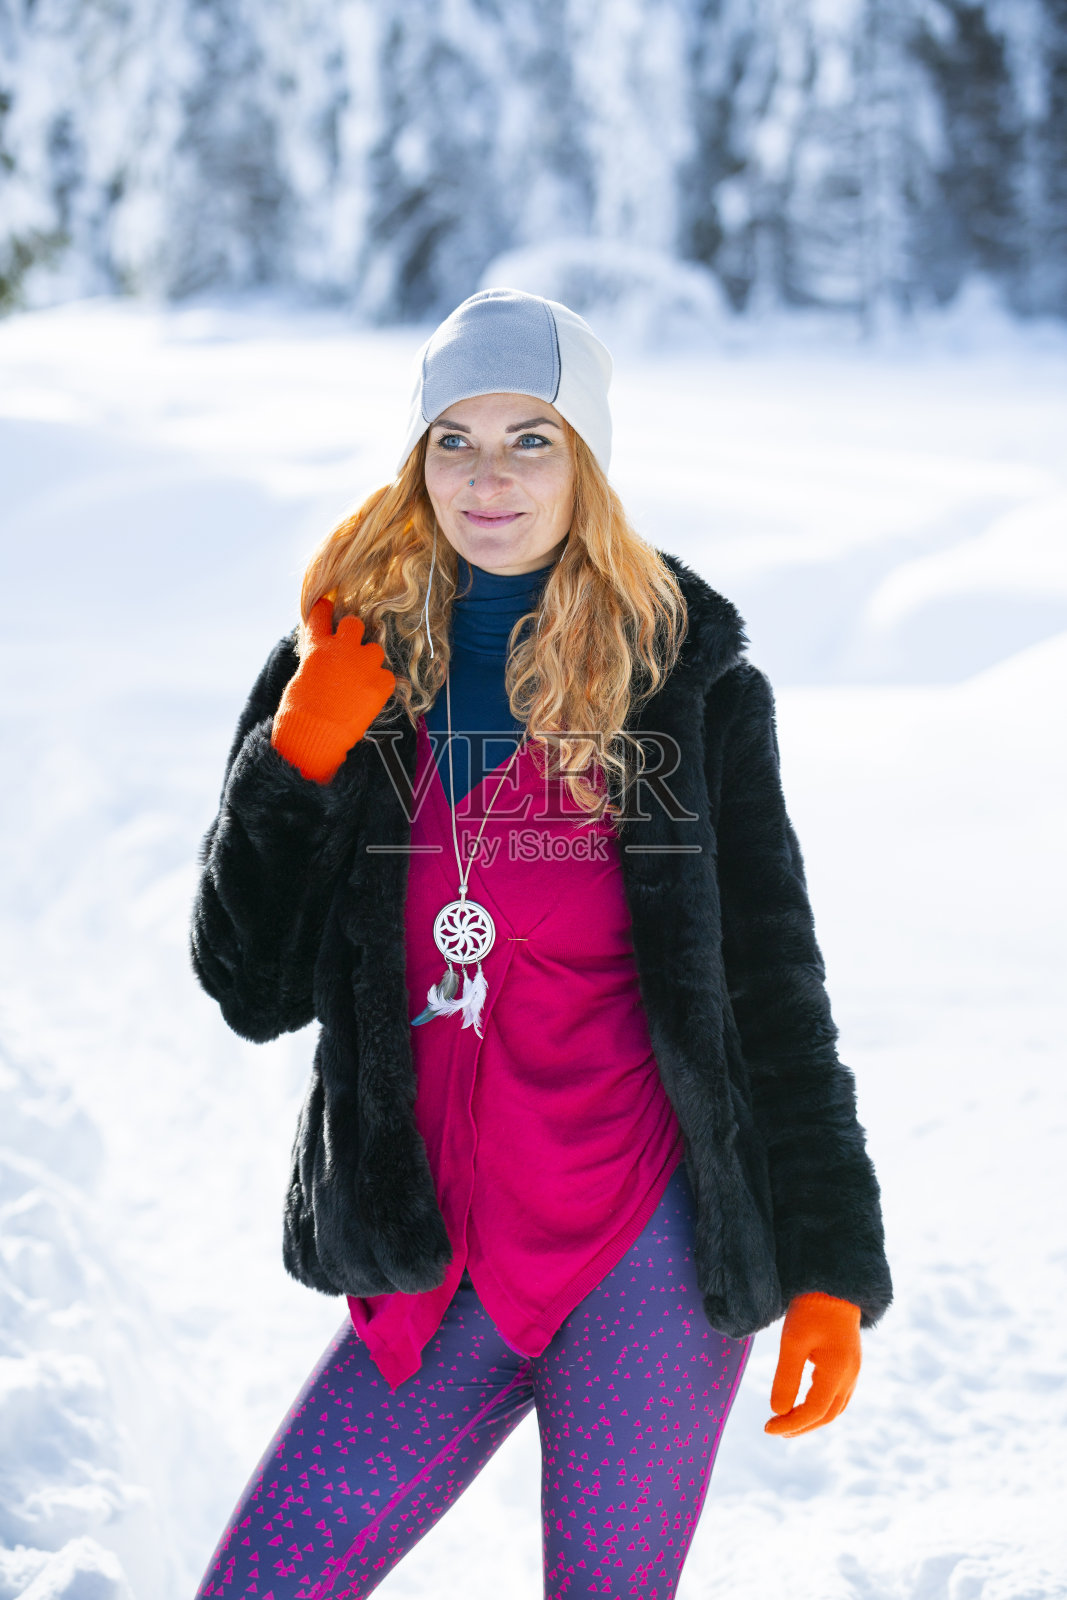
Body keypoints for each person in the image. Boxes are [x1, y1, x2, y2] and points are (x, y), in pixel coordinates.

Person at [189, 287, 892, 1600]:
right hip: (437, 1248)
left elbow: (773, 988)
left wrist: (833, 1269)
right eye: (454, 438)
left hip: (648, 1245)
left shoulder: (685, 682)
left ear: (590, 460)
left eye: (532, 438)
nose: (488, 475)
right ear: (415, 461)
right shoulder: (336, 666)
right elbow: (251, 985)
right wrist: (298, 752)